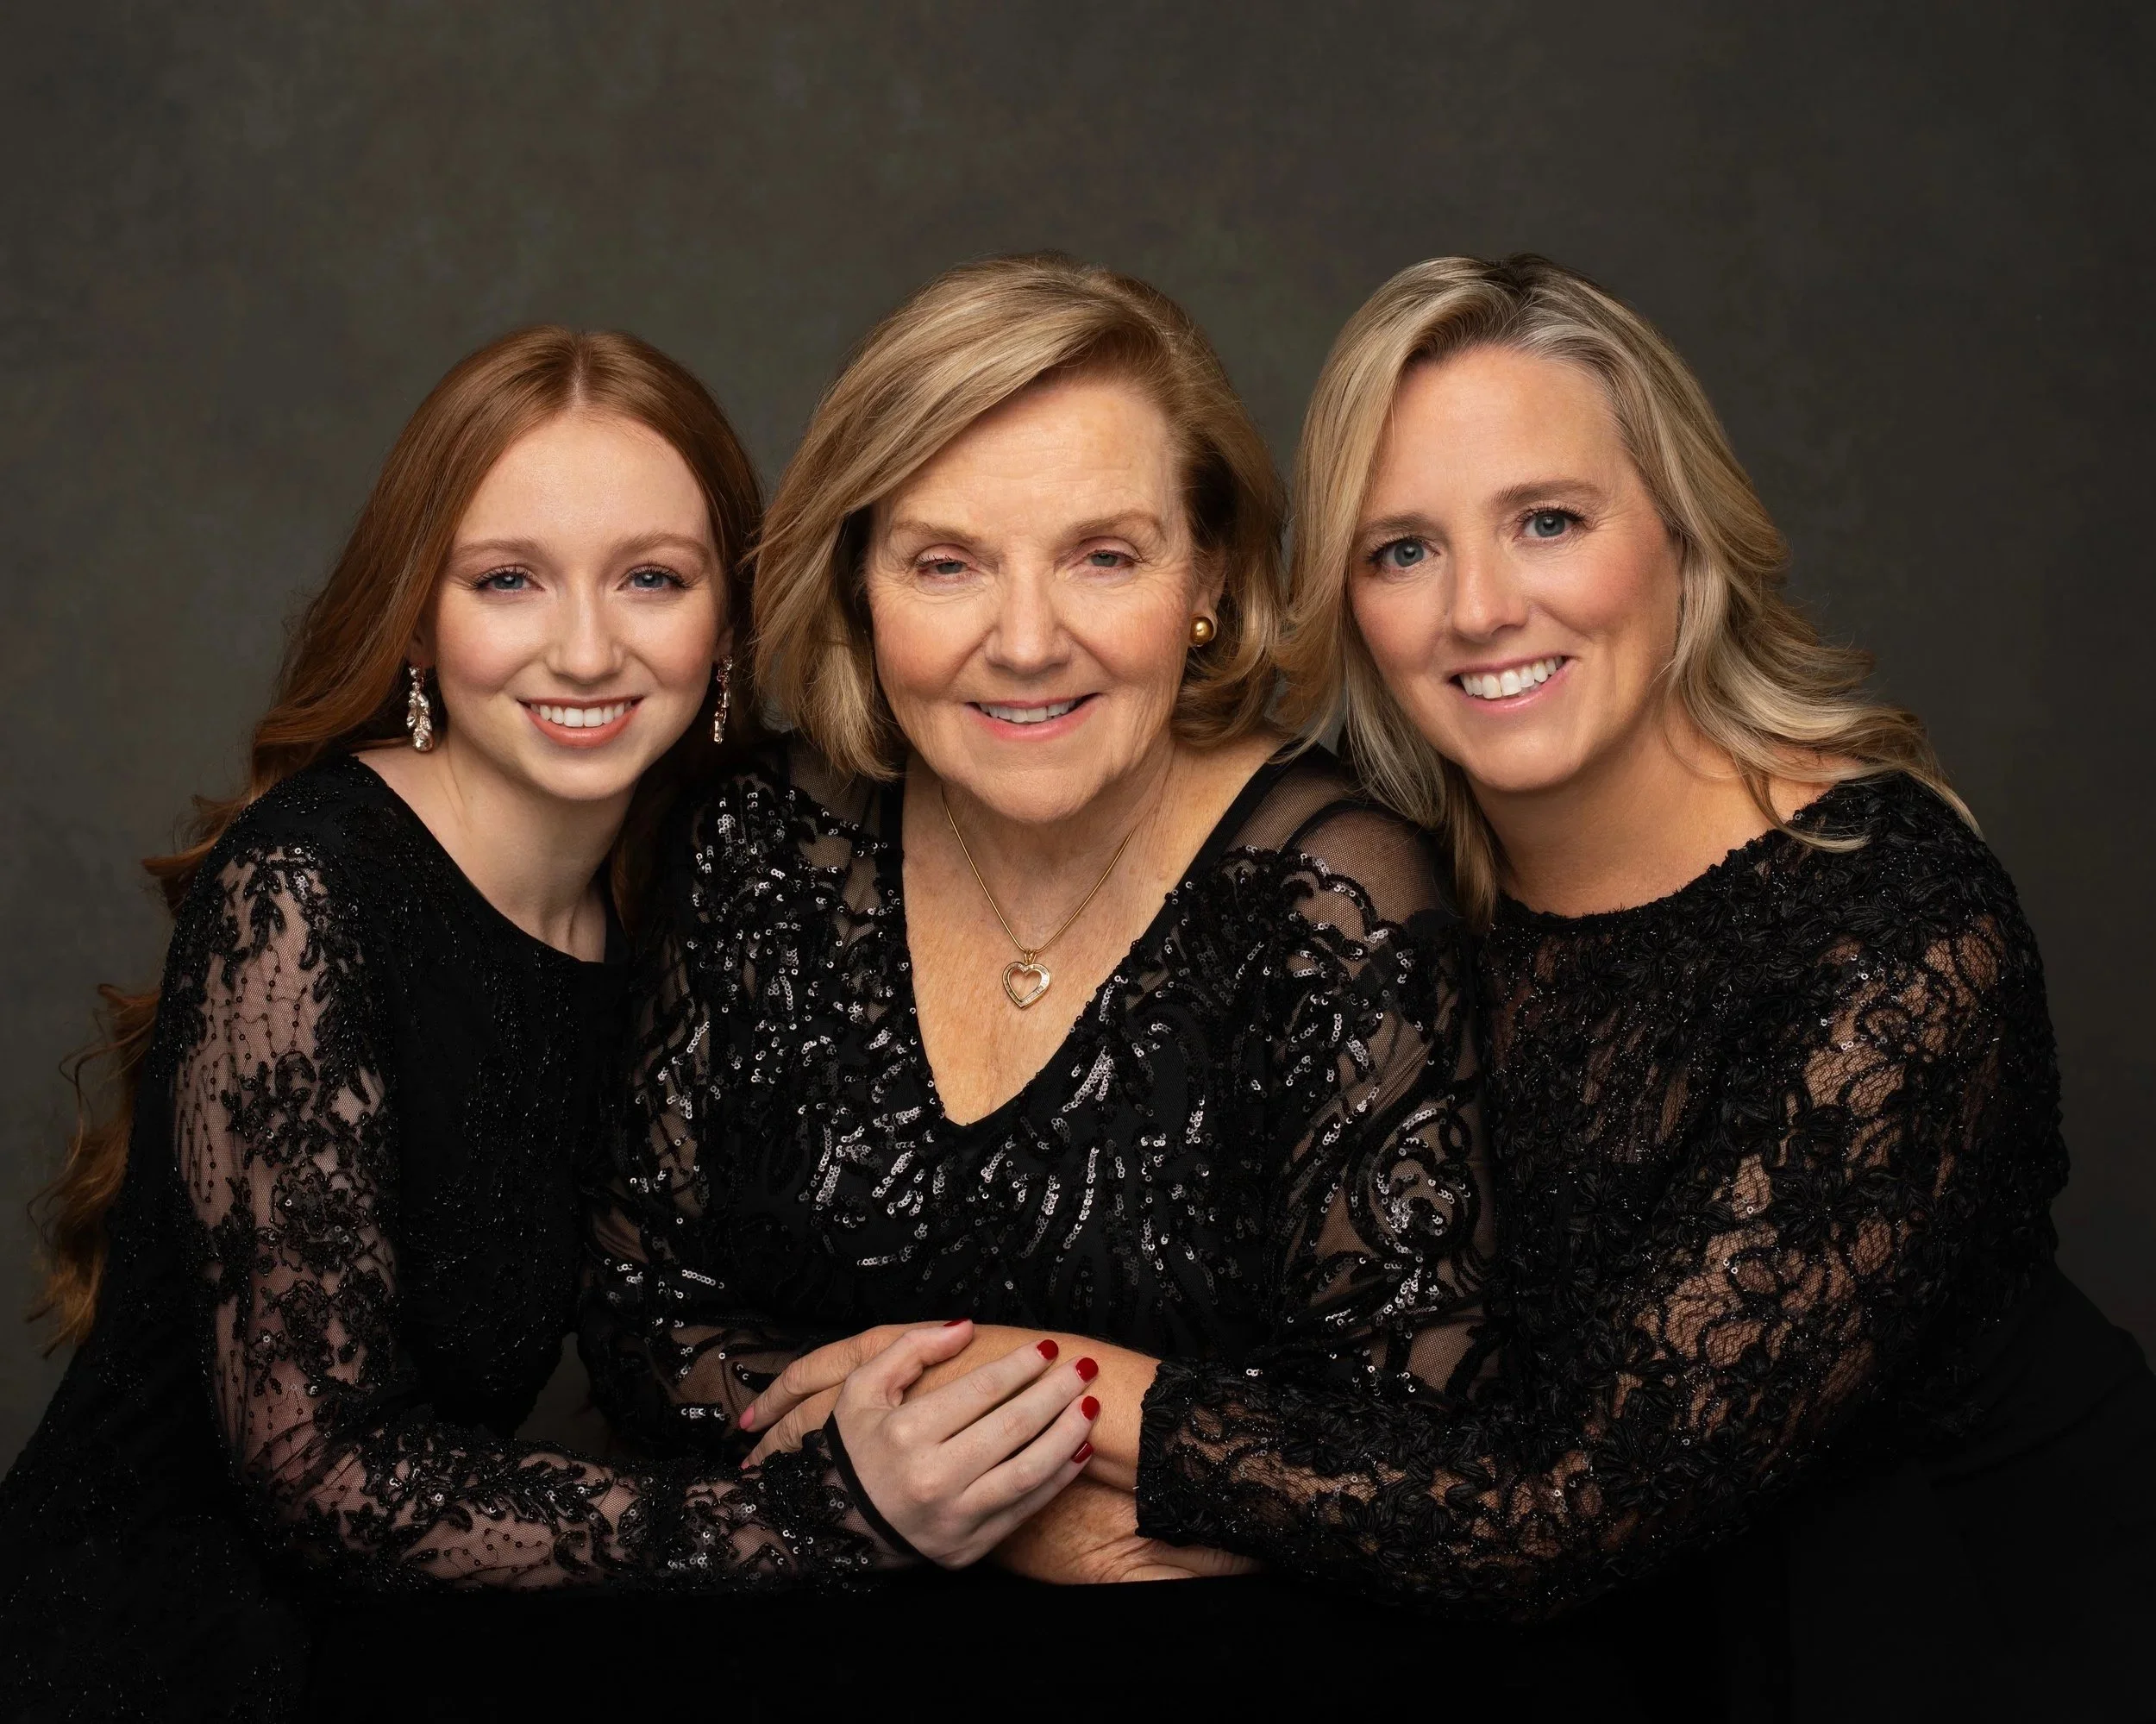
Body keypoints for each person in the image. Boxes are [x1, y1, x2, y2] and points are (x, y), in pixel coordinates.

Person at [0, 327, 1094, 1721]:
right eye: (508, 580)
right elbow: (325, 1476)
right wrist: (829, 1513)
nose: (587, 648)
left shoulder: (687, 878)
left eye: (652, 577)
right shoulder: (306, 883)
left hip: (401, 1644)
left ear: (732, 621)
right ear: (419, 616)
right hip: (151, 1651)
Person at [1131, 254, 2156, 1719]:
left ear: (1681, 534)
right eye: (1401, 549)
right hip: (1606, 1649)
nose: (1479, 607)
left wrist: (1117, 1415)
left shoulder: (1896, 923)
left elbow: (1555, 1507)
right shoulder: (1378, 878)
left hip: (1971, 1631)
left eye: (1547, 521)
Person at [580, 254, 1493, 1591]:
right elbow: (641, 1307)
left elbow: (1408, 1444)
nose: (1023, 639)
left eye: (1102, 555)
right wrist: (986, 1502)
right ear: (860, 590)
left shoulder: (1335, 887)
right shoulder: (765, 838)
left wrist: (996, 1418)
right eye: (946, 562)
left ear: (1212, 578)